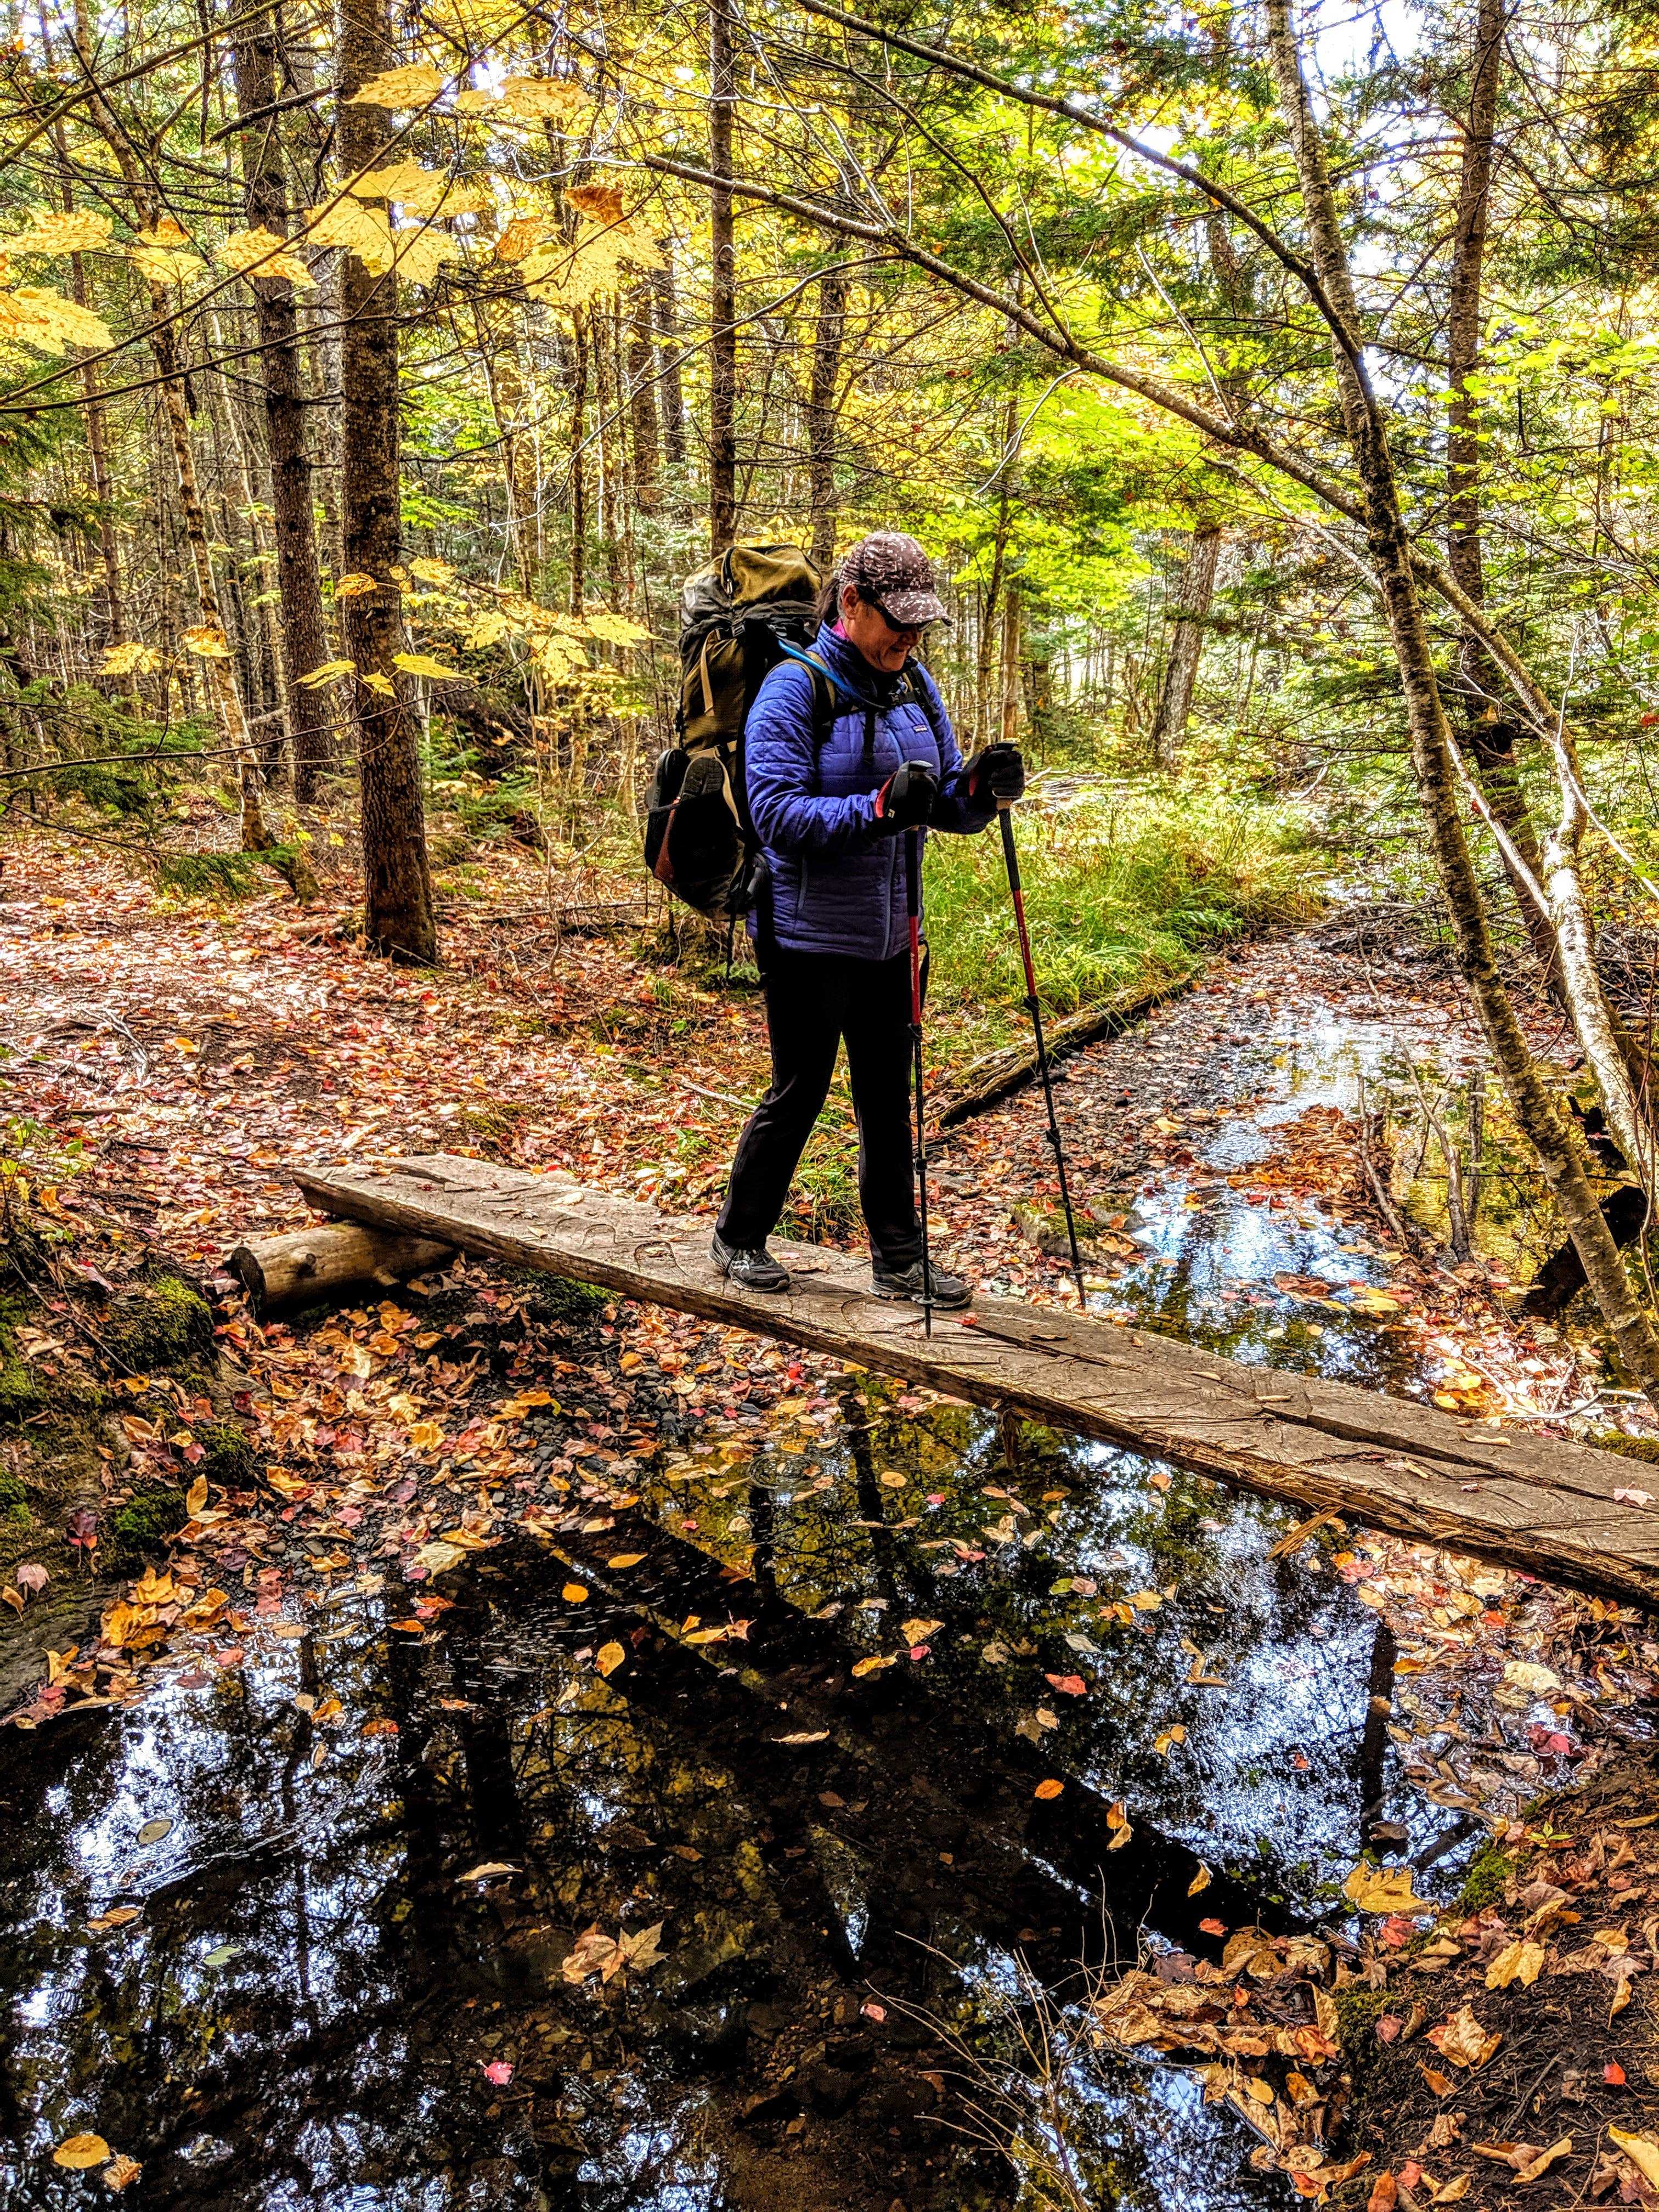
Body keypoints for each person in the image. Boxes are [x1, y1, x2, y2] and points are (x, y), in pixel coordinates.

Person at [710, 531, 1025, 1304]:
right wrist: (881, 807)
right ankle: (738, 1237)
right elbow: (778, 815)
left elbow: (945, 799)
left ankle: (900, 1261)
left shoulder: (916, 685)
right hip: (807, 937)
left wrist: (981, 794)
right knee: (802, 1091)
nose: (910, 639)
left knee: (889, 1099)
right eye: (899, 623)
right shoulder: (793, 688)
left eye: (921, 627)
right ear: (852, 604)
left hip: (893, 935)